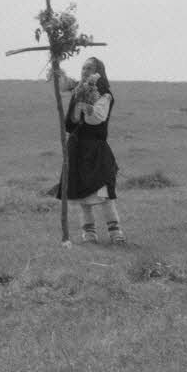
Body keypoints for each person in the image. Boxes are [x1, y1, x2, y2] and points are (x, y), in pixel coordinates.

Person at [51, 56, 124, 243]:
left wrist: (86, 107)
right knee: (81, 193)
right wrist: (57, 68)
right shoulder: (78, 89)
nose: (85, 71)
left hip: (96, 147)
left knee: (104, 192)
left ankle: (116, 235)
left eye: (89, 68)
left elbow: (96, 118)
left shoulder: (104, 94)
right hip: (76, 148)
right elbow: (72, 120)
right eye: (83, 68)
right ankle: (89, 235)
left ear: (98, 71)